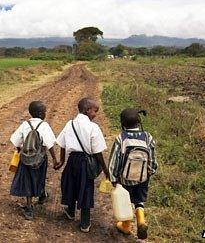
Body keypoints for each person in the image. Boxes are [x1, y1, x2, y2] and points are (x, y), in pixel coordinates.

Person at [55, 97, 109, 232]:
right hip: (85, 162)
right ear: (87, 110)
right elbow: (98, 151)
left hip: (72, 160)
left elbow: (62, 143)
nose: (96, 114)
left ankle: (70, 212)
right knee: (85, 189)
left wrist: (62, 161)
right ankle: (85, 223)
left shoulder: (70, 124)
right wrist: (105, 169)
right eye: (95, 111)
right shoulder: (93, 127)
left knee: (71, 185)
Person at [108, 108, 157, 240]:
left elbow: (114, 161)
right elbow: (152, 160)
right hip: (142, 178)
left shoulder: (121, 138)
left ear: (122, 124)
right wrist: (150, 172)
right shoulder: (148, 137)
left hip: (125, 179)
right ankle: (141, 221)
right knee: (139, 200)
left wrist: (113, 178)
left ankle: (126, 226)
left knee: (126, 201)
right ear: (139, 122)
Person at [10, 101, 59, 220]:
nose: (45, 113)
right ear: (41, 113)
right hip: (40, 158)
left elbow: (15, 140)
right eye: (45, 112)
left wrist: (20, 150)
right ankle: (41, 195)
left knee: (27, 180)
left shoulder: (25, 124)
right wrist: (54, 159)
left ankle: (29, 207)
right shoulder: (44, 125)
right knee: (39, 177)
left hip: (26, 158)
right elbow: (50, 144)